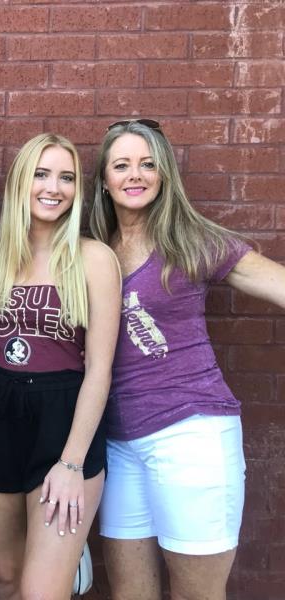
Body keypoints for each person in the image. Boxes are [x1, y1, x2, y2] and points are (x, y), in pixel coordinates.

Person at [90, 118, 285, 600]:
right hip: (120, 443)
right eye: (122, 165)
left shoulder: (190, 240)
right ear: (105, 180)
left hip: (191, 434)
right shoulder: (94, 250)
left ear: (163, 176)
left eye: (148, 164)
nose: (135, 175)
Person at [0, 133, 121, 599]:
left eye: (67, 177)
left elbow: (100, 371)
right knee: (3, 581)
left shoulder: (93, 258)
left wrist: (71, 463)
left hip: (62, 423)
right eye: (41, 174)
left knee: (42, 592)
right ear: (20, 184)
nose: (54, 187)